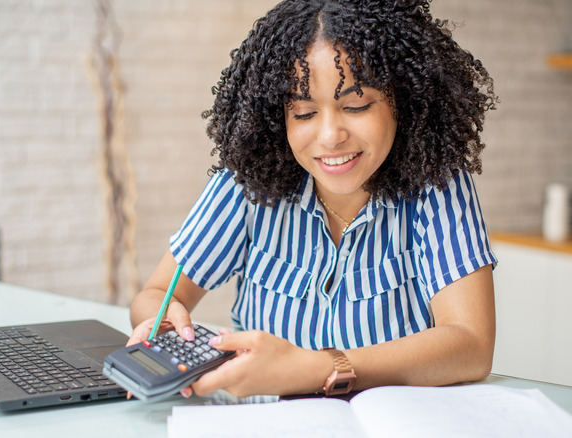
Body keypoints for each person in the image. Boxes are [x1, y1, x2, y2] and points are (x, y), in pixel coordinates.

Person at [128, 0, 498, 399]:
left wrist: (319, 369)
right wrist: (161, 321)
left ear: (403, 102)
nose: (330, 135)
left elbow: (471, 345)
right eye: (303, 113)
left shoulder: (436, 186)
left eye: (355, 105)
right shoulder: (249, 182)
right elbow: (157, 295)